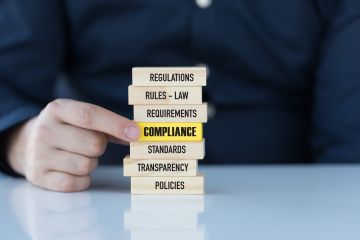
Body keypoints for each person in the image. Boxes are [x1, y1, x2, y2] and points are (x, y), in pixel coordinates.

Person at [1, 0, 360, 192]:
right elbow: (7, 81)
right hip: (102, 198)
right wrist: (19, 140)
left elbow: (351, 144)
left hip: (297, 204)